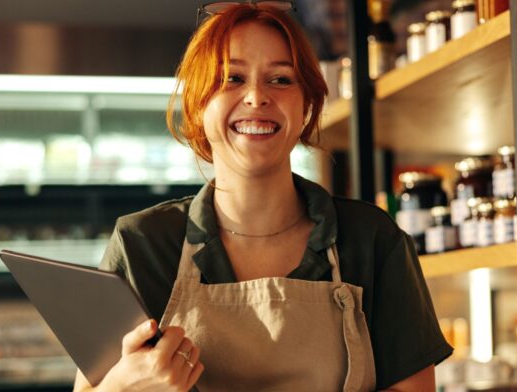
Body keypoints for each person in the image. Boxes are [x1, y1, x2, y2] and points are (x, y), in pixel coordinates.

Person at [73, 2, 452, 391]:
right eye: (232, 78)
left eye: (281, 80)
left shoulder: (373, 242)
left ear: (307, 105)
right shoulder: (142, 246)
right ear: (199, 103)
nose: (256, 96)